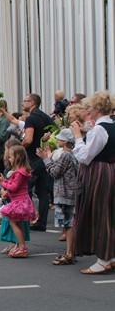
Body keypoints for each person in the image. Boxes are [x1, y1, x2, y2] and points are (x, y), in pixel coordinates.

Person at [71, 91, 114, 274]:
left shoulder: (100, 129)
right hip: (109, 170)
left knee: (100, 213)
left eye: (89, 107)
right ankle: (109, 256)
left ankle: (103, 260)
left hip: (98, 172)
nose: (86, 110)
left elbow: (84, 156)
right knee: (109, 213)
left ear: (97, 109)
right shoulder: (110, 125)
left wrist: (77, 137)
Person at [37, 128, 78, 265]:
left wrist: (45, 159)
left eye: (60, 138)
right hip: (67, 191)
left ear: (65, 141)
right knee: (67, 223)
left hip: (65, 192)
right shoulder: (70, 154)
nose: (57, 140)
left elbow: (55, 172)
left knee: (68, 223)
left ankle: (70, 253)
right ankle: (70, 252)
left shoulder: (66, 155)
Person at [0, 145, 36, 258]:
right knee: (17, 223)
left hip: (20, 202)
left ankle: (22, 247)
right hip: (19, 201)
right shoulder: (19, 172)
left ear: (17, 157)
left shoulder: (19, 173)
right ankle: (21, 245)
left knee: (14, 223)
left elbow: (13, 187)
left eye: (11, 157)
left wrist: (1, 182)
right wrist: (4, 181)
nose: (9, 159)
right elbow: (13, 186)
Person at [21, 93, 54, 230]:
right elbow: (53, 132)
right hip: (44, 157)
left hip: (33, 158)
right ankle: (41, 222)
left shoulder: (31, 119)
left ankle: (26, 219)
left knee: (25, 188)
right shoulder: (46, 117)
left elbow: (28, 139)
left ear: (32, 103)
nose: (23, 103)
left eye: (25, 101)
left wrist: (20, 146)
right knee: (42, 191)